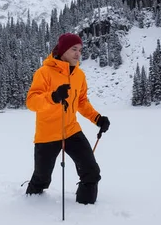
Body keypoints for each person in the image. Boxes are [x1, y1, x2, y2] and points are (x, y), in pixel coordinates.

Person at [24, 32, 110, 204]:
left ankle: (87, 211)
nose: (78, 54)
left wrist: (97, 118)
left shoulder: (79, 75)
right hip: (47, 134)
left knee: (91, 172)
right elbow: (31, 102)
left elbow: (82, 102)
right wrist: (53, 97)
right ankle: (29, 207)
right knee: (42, 178)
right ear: (63, 50)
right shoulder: (44, 73)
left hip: (71, 130)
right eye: (74, 49)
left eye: (80, 50)